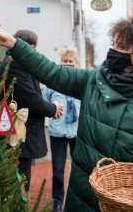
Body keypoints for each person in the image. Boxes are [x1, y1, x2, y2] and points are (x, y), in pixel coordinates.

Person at [0, 16, 133, 211]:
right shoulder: (92, 81)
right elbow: (51, 72)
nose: (113, 51)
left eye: (121, 47)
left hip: (130, 201)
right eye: (112, 44)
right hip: (83, 194)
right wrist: (16, 45)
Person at [0, 29, 64, 194]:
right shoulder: (17, 64)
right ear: (30, 47)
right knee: (19, 184)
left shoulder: (12, 62)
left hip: (17, 132)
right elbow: (31, 100)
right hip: (18, 134)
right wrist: (53, 108)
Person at [42, 47, 81, 212]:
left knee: (79, 169)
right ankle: (57, 202)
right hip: (57, 132)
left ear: (76, 63)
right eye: (65, 61)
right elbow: (44, 101)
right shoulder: (54, 81)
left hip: (77, 132)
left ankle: (76, 201)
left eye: (70, 61)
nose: (67, 64)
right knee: (58, 170)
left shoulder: (80, 81)